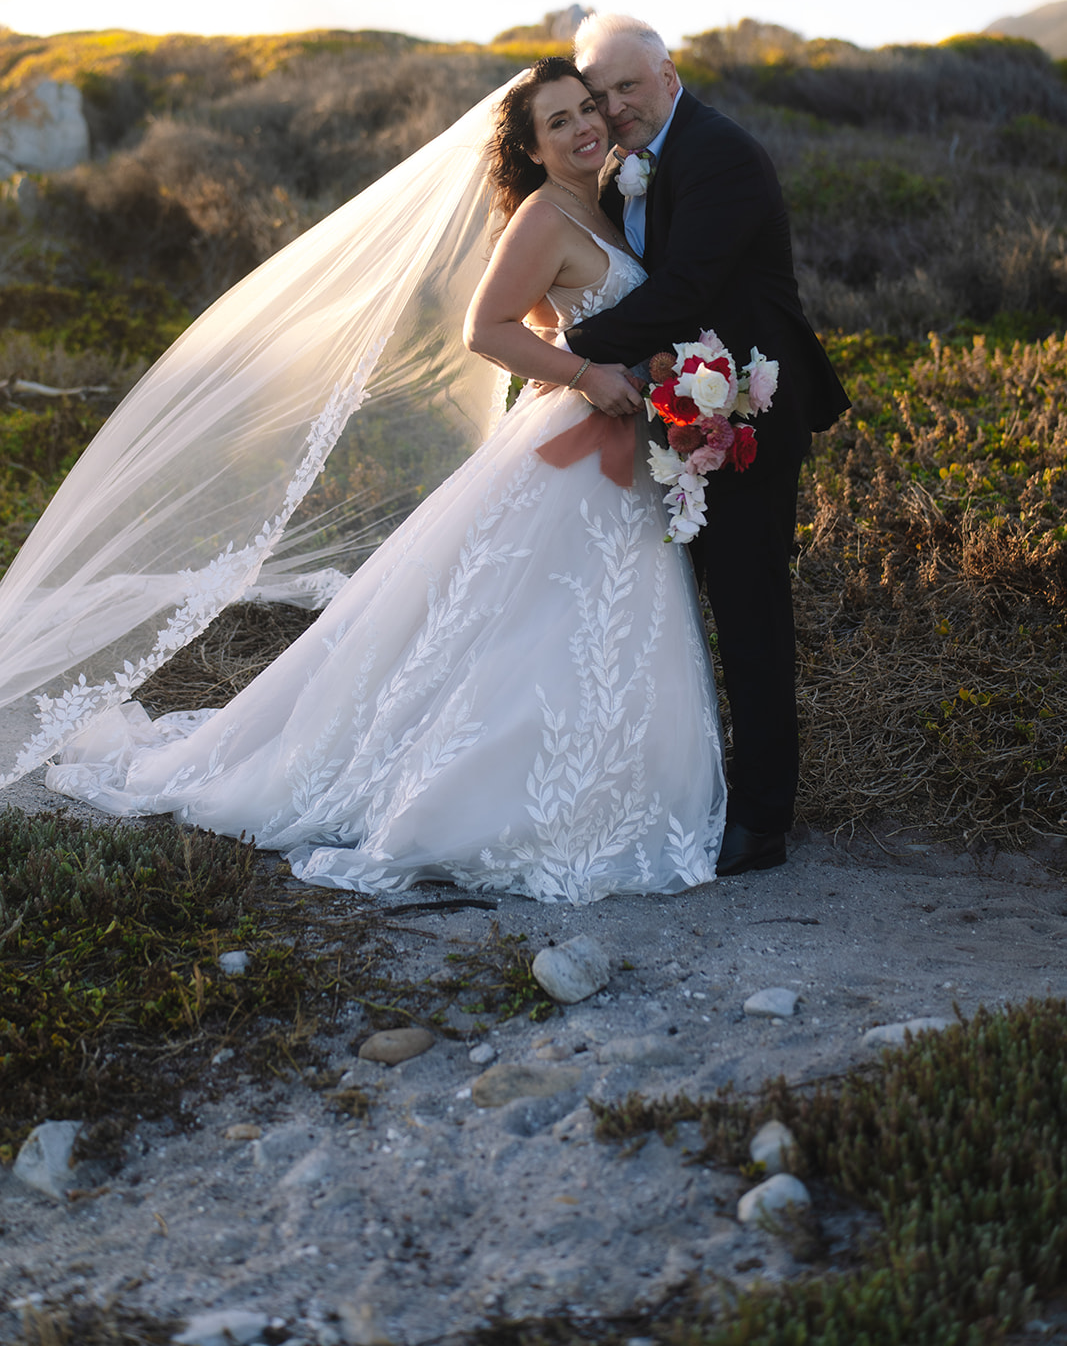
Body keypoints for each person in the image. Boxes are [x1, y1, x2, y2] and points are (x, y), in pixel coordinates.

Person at [38, 59, 728, 904]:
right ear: (531, 147)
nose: (586, 125)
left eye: (588, 108)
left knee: (583, 618)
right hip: (573, 436)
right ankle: (487, 794)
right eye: (559, 121)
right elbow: (487, 328)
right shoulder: (547, 218)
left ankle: (611, 778)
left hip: (616, 443)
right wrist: (586, 377)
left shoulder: (610, 202)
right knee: (532, 620)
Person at [565, 15, 851, 877]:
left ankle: (762, 820)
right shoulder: (627, 169)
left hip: (748, 411)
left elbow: (689, 288)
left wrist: (562, 354)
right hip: (670, 409)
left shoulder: (720, 152)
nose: (613, 109)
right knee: (671, 609)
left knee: (747, 606)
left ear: (668, 72)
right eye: (599, 95)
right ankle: (678, 788)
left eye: (627, 87)